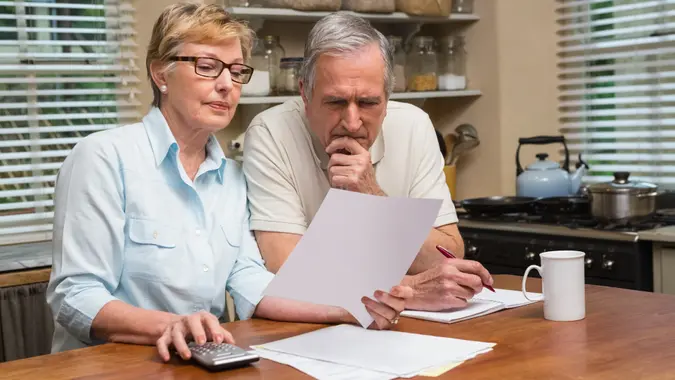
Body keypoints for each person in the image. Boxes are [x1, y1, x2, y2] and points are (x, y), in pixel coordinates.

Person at [46, 3, 411, 362]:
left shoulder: (232, 178)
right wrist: (171, 325)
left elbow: (250, 280)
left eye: (237, 72)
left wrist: (350, 308)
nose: (226, 85)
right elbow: (75, 296)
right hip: (110, 368)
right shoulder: (103, 158)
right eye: (207, 67)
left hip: (203, 362)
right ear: (160, 74)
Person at [243, 12, 493, 312]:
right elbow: (285, 269)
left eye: (368, 103)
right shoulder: (270, 132)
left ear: (387, 98)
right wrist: (408, 289)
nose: (351, 122)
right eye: (335, 102)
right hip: (310, 330)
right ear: (304, 95)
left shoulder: (414, 125)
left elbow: (447, 256)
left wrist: (372, 196)